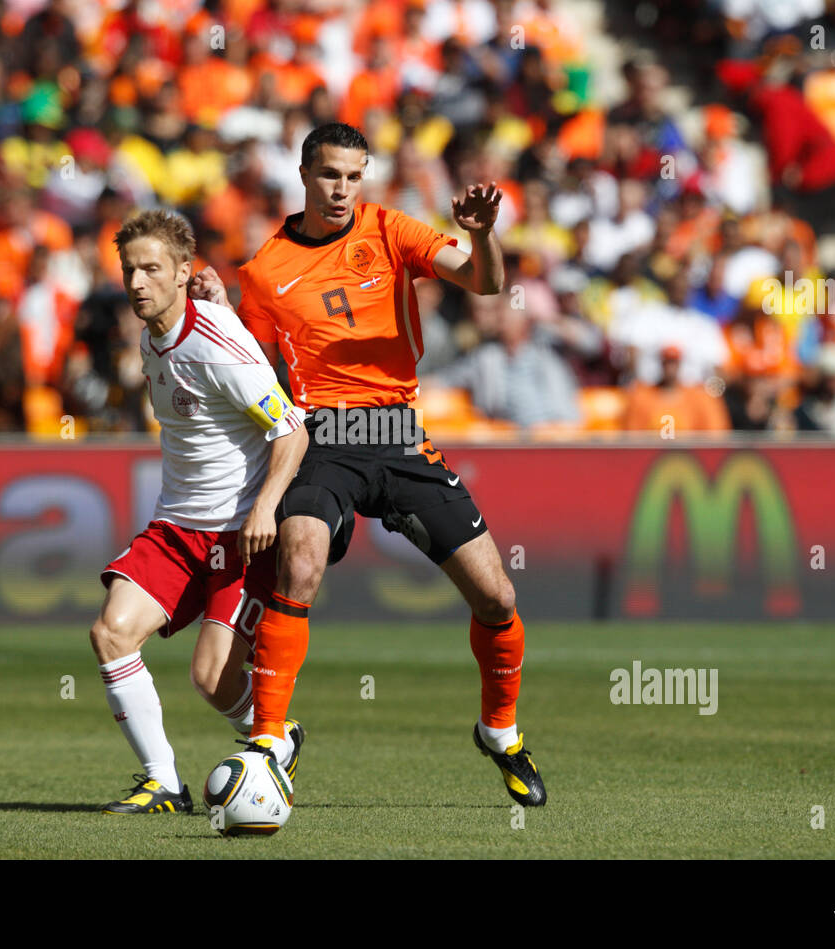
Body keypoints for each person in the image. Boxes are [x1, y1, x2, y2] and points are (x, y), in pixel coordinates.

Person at [193, 123, 546, 807]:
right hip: (322, 434)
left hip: (396, 431)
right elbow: (249, 362)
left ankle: (500, 733)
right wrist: (216, 309)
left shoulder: (389, 230)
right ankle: (269, 737)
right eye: (330, 174)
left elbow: (484, 281)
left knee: (498, 596)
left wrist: (480, 234)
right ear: (303, 172)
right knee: (300, 557)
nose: (342, 190)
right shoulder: (265, 271)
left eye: (354, 176)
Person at [89, 210, 309, 815]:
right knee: (111, 632)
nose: (137, 282)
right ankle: (163, 782)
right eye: (130, 269)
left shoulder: (217, 344)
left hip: (240, 535)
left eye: (152, 269)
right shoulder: (149, 335)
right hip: (174, 526)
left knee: (212, 680)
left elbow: (291, 431)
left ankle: (275, 735)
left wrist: (266, 508)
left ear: (185, 272)